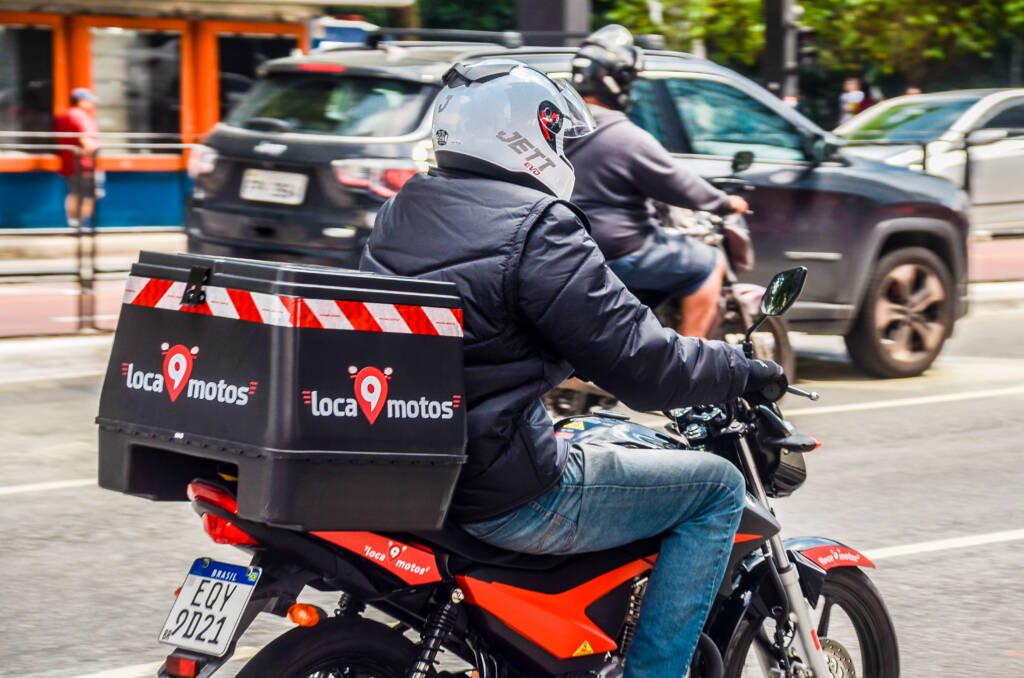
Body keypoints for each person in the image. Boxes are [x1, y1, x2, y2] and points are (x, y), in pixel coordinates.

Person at [359, 59, 787, 676]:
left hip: (418, 466)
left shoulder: (408, 207)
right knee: (714, 488)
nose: (562, 150)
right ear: (524, 134)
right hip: (500, 489)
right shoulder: (538, 227)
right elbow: (642, 364)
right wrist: (741, 367)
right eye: (556, 134)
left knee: (588, 435)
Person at [566, 25, 748, 338]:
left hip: (567, 248)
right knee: (707, 264)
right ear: (618, 81)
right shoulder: (625, 136)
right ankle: (686, 369)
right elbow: (678, 184)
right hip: (619, 249)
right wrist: (725, 202)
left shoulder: (556, 127)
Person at [54, 88, 103, 227]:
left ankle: (74, 224)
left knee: (74, 193)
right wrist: (91, 156)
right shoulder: (80, 115)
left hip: (70, 163)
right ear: (81, 101)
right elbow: (86, 141)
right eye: (90, 101)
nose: (93, 104)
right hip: (85, 163)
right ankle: (80, 225)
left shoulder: (65, 115)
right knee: (88, 195)